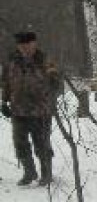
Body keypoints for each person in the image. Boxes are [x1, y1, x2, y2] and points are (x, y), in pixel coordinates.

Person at [1, 31, 61, 186]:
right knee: (19, 143)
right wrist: (4, 102)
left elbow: (56, 84)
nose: (25, 48)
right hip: (18, 110)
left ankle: (46, 174)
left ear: (34, 43)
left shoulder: (45, 60)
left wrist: (48, 98)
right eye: (21, 45)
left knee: (42, 144)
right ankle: (29, 172)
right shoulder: (12, 61)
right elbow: (6, 83)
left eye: (28, 44)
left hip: (40, 111)